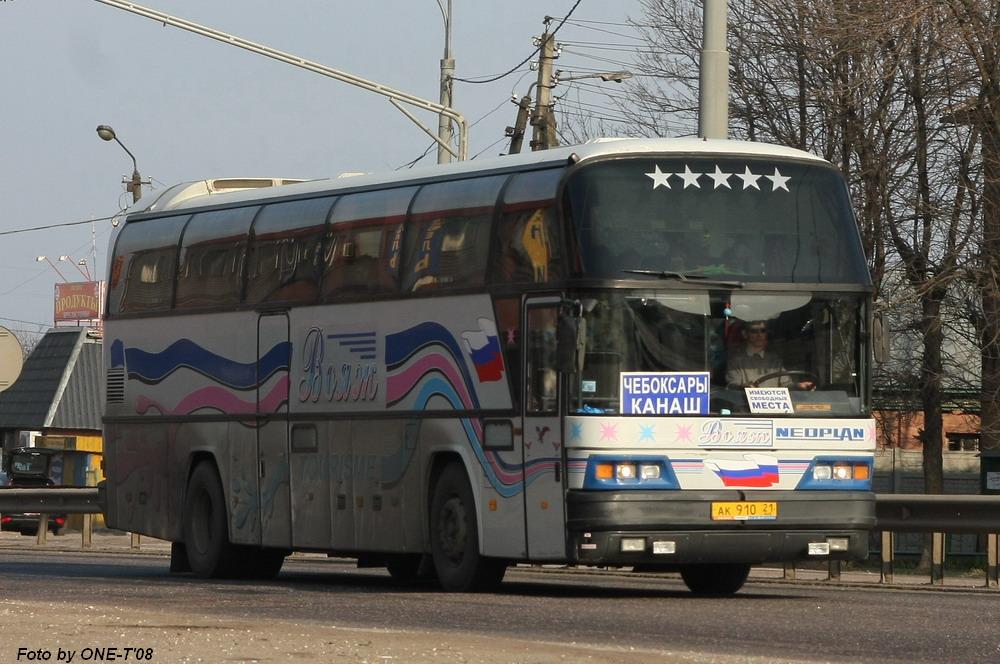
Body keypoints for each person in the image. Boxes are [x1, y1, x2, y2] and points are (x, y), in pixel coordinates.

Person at [726, 320, 814, 389]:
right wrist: (744, 387)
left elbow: (786, 385)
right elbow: (732, 386)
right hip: (745, 409)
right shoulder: (735, 361)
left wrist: (798, 386)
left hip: (774, 410)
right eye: (754, 331)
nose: (759, 335)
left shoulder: (775, 360)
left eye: (763, 331)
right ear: (745, 334)